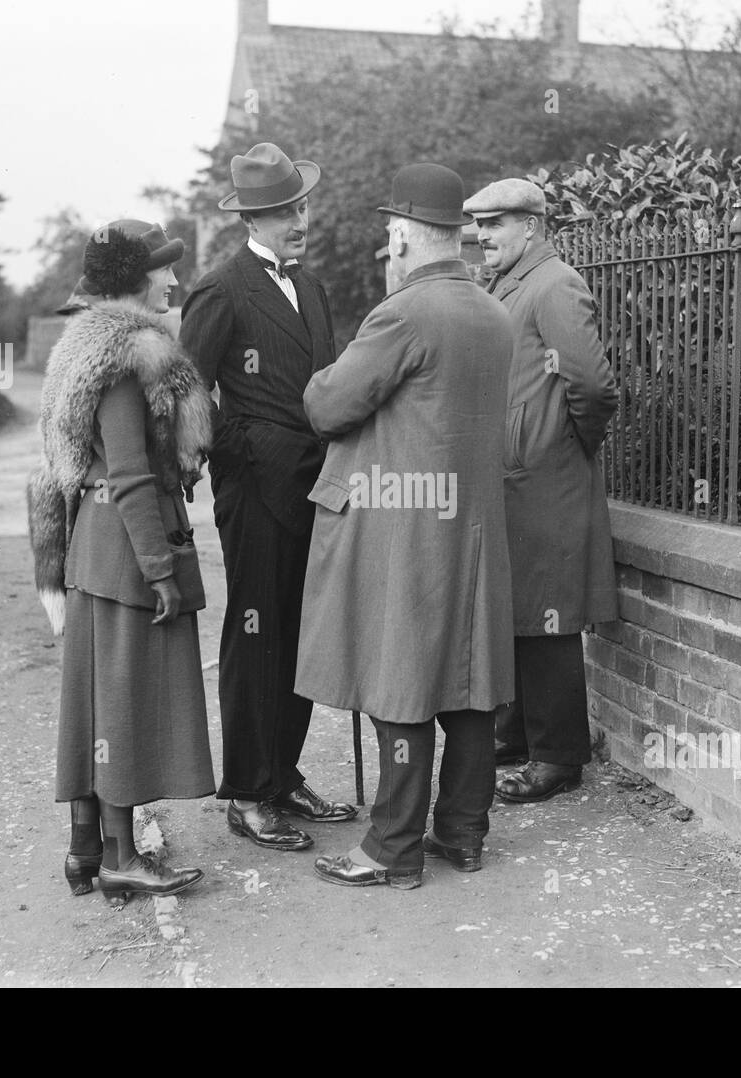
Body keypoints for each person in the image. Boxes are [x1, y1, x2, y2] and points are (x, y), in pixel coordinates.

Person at [296, 163, 516, 890]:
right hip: (473, 526)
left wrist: (316, 377)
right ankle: (463, 832)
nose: (386, 255)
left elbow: (330, 406)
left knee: (402, 682)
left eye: (389, 242)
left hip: (406, 529)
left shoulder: (404, 314)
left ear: (401, 237)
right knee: (471, 679)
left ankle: (391, 848)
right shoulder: (490, 310)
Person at [27, 219, 215, 905]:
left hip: (89, 552)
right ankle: (123, 859)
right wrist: (161, 568)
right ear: (137, 279)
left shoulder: (78, 348)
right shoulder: (130, 357)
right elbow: (131, 475)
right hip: (128, 554)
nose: (174, 281)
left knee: (94, 696)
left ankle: (85, 849)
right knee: (125, 704)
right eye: (164, 269)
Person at [179, 143, 355, 853]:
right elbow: (184, 389)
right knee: (255, 637)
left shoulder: (310, 289)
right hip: (254, 486)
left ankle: (283, 775)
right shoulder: (222, 288)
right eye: (286, 210)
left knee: (300, 630)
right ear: (255, 217)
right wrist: (227, 447)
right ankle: (248, 792)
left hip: (313, 483)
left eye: (303, 205)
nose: (300, 219)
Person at [463, 178, 621, 804]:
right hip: (512, 475)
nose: (483, 235)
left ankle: (558, 756)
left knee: (550, 615)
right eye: (479, 225)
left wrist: (562, 441)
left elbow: (593, 384)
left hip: (546, 475)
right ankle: (519, 736)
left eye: (496, 223)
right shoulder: (506, 284)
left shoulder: (556, 283)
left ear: (531, 226)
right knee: (520, 610)